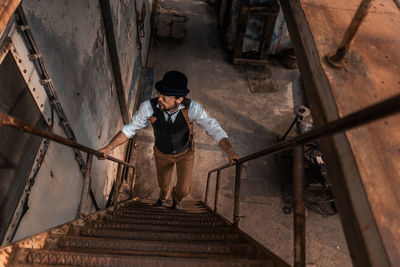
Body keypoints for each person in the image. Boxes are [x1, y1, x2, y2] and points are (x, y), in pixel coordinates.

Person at [98, 70, 239, 209]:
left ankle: (176, 199)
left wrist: (230, 151)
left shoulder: (193, 110)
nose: (159, 99)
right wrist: (109, 147)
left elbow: (214, 129)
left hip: (185, 152)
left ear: (179, 99)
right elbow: (129, 129)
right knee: (163, 182)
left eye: (165, 97)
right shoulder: (148, 107)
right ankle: (163, 197)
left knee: (184, 190)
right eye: (160, 94)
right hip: (162, 152)